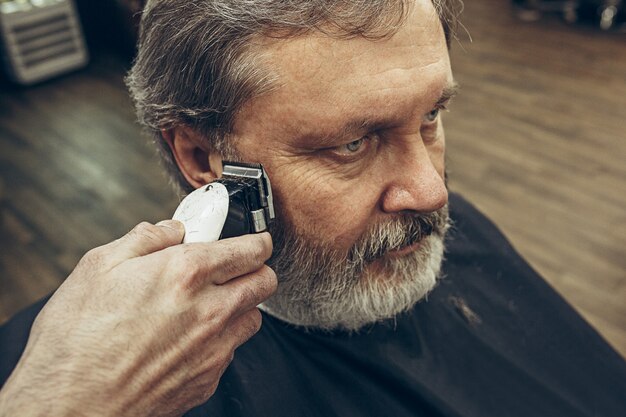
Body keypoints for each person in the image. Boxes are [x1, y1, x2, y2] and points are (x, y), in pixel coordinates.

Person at [1, 0, 625, 416]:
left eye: (431, 116)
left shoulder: (446, 231)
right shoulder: (52, 377)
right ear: (199, 156)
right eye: (352, 144)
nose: (433, 192)